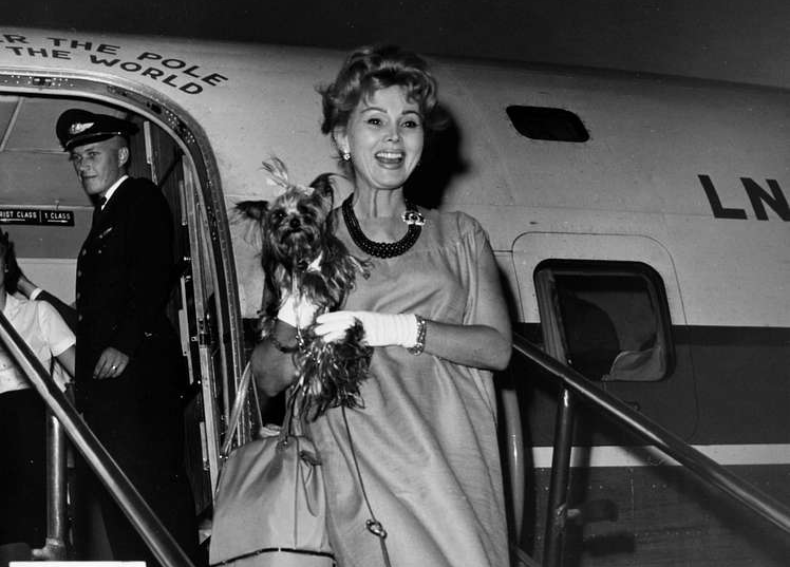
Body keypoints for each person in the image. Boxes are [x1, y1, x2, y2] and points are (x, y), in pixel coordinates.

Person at [253, 46, 513, 567]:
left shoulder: (461, 236)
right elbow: (269, 377)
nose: (394, 137)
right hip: (358, 463)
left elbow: (496, 349)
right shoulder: (310, 237)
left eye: (408, 123)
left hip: (451, 463)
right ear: (343, 138)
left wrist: (398, 328)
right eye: (375, 121)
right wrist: (294, 315)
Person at [54, 109, 200, 566]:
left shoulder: (139, 198)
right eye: (77, 158)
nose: (83, 165)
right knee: (123, 499)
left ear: (121, 155)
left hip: (138, 381)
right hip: (112, 390)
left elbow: (154, 272)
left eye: (93, 154)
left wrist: (126, 343)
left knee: (152, 496)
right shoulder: (104, 215)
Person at [0, 230, 76, 550]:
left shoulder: (37, 313)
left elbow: (82, 372)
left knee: (23, 405)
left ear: (5, 264)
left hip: (30, 431)